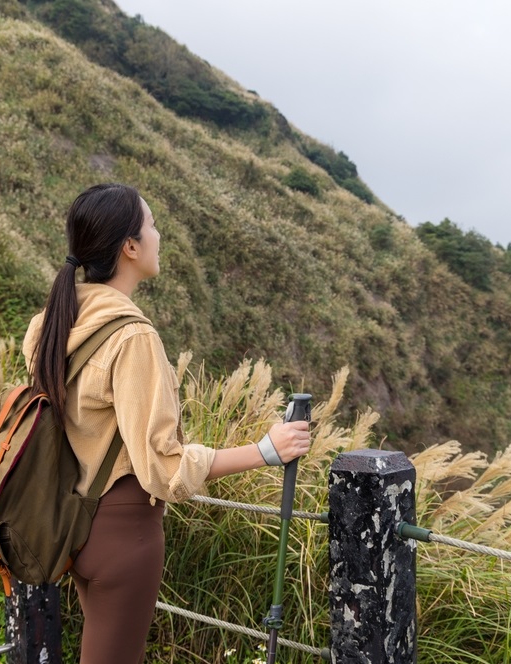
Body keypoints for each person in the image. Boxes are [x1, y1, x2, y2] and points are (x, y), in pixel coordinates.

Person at [21, 183, 311, 664]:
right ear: (130, 247)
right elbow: (163, 468)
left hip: (70, 522)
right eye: (152, 225)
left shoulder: (49, 323)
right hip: (123, 533)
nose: (159, 235)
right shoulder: (132, 337)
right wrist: (266, 450)